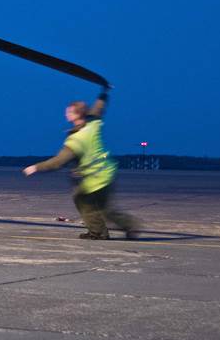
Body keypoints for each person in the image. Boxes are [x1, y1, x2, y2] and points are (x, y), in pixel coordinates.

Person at [23, 91, 143, 240]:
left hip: (94, 178)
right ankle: (130, 226)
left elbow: (58, 162)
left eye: (69, 112)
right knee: (104, 208)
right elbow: (99, 108)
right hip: (107, 172)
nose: (66, 114)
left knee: (84, 202)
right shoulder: (93, 123)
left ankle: (98, 232)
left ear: (77, 115)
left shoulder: (76, 140)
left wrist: (35, 167)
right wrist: (104, 94)